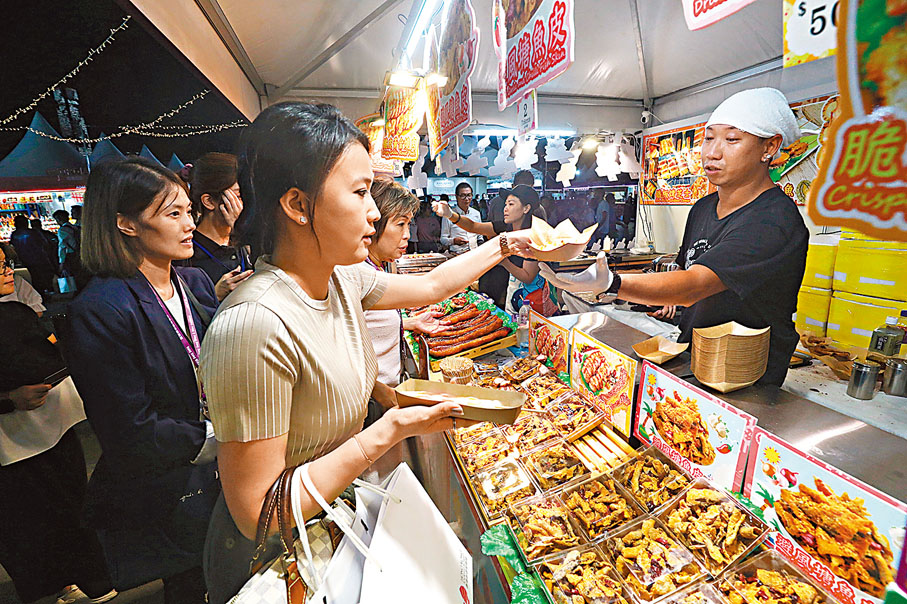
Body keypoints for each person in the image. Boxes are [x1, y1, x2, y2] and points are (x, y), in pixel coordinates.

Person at [198, 102, 535, 603]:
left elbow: (433, 285)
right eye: (359, 193)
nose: (375, 213)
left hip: (335, 529)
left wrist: (511, 244)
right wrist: (391, 427)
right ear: (297, 204)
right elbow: (257, 511)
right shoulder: (254, 324)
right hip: (280, 564)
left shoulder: (342, 278)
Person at [541, 88, 808, 386]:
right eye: (709, 138)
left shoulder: (772, 220)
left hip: (745, 372)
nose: (713, 152)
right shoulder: (704, 208)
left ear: (769, 147)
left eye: (732, 139)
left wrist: (612, 283)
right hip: (695, 354)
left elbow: (695, 285)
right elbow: (686, 270)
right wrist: (667, 296)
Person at [64, 157, 220, 602]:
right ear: (126, 224)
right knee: (192, 586)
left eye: (189, 210)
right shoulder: (101, 309)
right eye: (173, 214)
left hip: (217, 475)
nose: (190, 224)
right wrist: (217, 437)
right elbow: (130, 432)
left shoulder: (192, 283)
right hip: (169, 488)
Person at [0, 247, 117, 604]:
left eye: (5, 262)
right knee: (23, 522)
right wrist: (9, 401)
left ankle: (85, 580)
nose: (9, 270)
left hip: (55, 424)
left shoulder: (16, 310)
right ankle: (49, 587)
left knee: (71, 504)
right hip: (10, 445)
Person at [363, 178, 443, 424]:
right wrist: (503, 246)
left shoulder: (378, 265)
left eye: (409, 224)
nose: (408, 235)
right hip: (370, 404)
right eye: (400, 224)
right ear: (374, 223)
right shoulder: (358, 271)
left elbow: (367, 324)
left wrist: (408, 322)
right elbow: (433, 287)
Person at [435, 184, 552, 314]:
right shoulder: (505, 227)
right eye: (505, 204)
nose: (505, 209)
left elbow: (528, 277)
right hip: (511, 294)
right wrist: (450, 215)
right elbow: (473, 226)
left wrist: (502, 258)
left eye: (511, 204)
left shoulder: (532, 235)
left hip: (532, 298)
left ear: (526, 208)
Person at [176, 152, 254, 300]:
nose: (247, 203)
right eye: (238, 196)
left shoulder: (244, 241)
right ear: (209, 202)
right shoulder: (186, 252)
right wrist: (214, 296)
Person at [9, 214, 57, 294]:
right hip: (39, 257)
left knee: (34, 277)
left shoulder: (14, 235)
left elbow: (13, 247)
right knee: (45, 274)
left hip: (25, 260)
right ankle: (48, 290)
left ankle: (39, 293)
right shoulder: (33, 232)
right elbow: (44, 243)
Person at [0, 243, 46, 315]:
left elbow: (37, 310)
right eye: (1, 267)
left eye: (7, 264)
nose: (10, 271)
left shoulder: (16, 282)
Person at [440, 183, 481, 254]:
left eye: (469, 195)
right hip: (457, 254)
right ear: (456, 197)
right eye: (463, 196)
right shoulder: (449, 215)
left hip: (475, 253)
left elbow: (480, 236)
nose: (466, 199)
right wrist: (453, 241)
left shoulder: (476, 214)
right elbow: (443, 239)